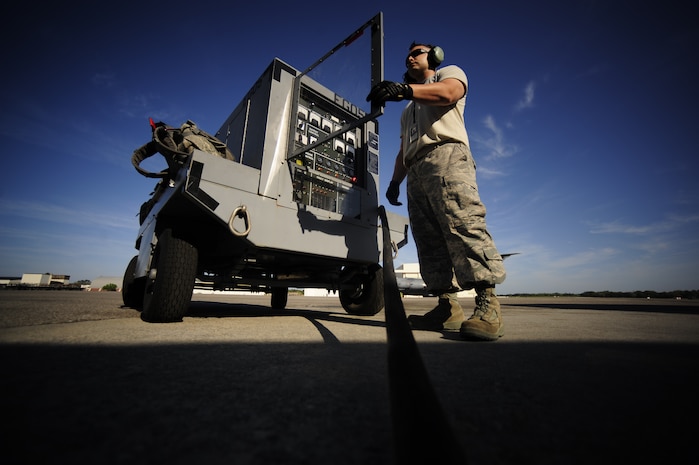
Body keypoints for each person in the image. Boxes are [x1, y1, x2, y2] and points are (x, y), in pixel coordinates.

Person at [366, 42, 506, 341]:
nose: (410, 56)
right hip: (415, 168)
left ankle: (487, 304)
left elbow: (448, 94)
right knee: (428, 237)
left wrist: (403, 89)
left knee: (463, 222)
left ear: (434, 56)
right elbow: (404, 148)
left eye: (417, 51)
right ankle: (447, 307)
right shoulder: (408, 110)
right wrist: (394, 182)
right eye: (409, 53)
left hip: (446, 155)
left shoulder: (447, 74)